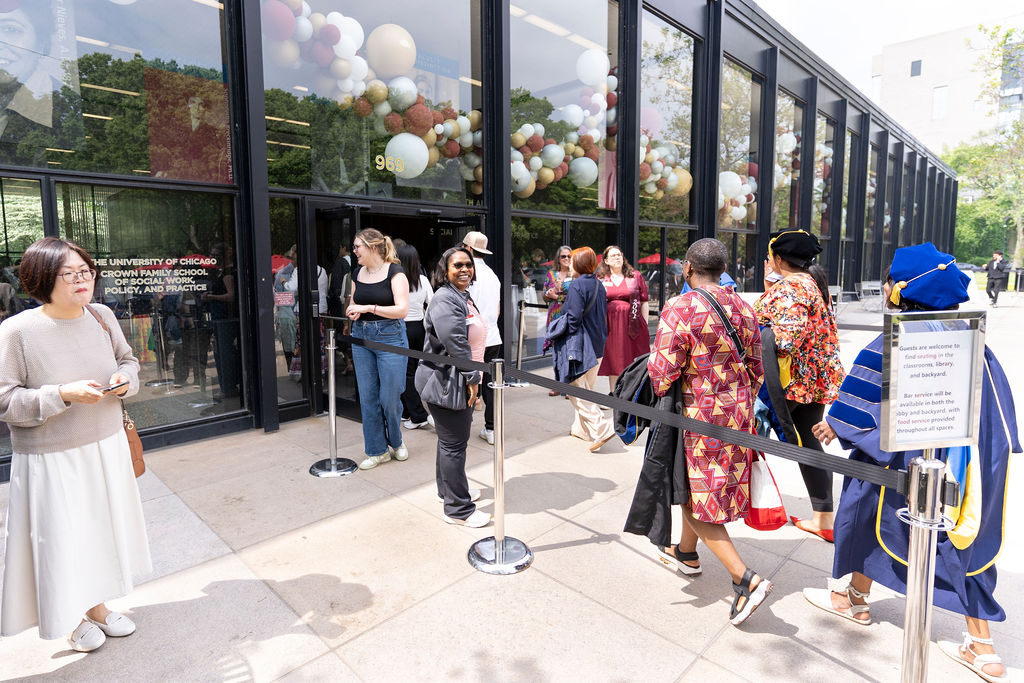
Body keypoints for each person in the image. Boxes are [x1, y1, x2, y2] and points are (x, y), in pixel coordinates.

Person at [804, 242, 1020, 682]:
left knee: (866, 509)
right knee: (964, 538)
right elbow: (998, 420)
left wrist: (836, 426)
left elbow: (863, 404)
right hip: (968, 466)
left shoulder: (897, 337)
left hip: (907, 460)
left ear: (900, 290)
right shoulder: (972, 339)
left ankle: (854, 600)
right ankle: (980, 647)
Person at [0, 237, 151, 652]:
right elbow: (4, 400)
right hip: (51, 456)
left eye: (86, 270)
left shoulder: (101, 315)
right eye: (70, 273)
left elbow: (127, 360)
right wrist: (61, 394)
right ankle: (68, 617)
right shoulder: (17, 332)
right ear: (42, 278)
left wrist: (126, 381)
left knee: (99, 532)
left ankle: (97, 608)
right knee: (62, 539)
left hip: (105, 445)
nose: (82, 280)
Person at [625, 237, 771, 627]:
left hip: (699, 420)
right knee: (703, 489)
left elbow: (661, 375)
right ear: (723, 270)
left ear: (687, 268)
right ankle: (687, 553)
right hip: (739, 416)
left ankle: (746, 579)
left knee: (693, 497)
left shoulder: (680, 307)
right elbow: (758, 367)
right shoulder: (744, 306)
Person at [754, 229, 844, 541]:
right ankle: (823, 518)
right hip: (815, 378)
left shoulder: (789, 289)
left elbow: (784, 339)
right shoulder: (812, 281)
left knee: (748, 434)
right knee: (809, 443)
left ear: (778, 258)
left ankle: (749, 506)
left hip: (792, 381)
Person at [415, 246, 490, 528]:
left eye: (468, 265)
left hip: (454, 379)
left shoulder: (462, 296)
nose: (464, 270)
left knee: (449, 442)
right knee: (454, 445)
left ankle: (446, 491)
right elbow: (456, 343)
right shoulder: (446, 299)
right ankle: (458, 510)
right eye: (457, 265)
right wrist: (473, 380)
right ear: (444, 270)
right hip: (446, 383)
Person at [346, 228, 410, 470]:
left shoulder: (395, 271)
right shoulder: (357, 273)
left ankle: (396, 440)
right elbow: (353, 303)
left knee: (389, 397)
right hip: (361, 335)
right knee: (368, 397)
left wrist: (369, 308)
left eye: (357, 247)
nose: (354, 252)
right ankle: (377, 450)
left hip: (391, 336)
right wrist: (353, 310)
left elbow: (402, 310)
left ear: (372, 247)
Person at [555, 246, 616, 452]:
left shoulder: (577, 285)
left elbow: (573, 318)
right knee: (586, 388)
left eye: (572, 261)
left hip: (581, 345)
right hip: (598, 343)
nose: (569, 264)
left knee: (576, 390)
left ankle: (601, 428)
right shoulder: (599, 284)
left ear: (578, 264)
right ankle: (580, 429)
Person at [462, 231, 501, 446]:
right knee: (490, 386)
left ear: (468, 248)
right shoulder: (493, 275)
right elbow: (497, 310)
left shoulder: (466, 273)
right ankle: (491, 428)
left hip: (471, 338)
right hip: (492, 336)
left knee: (465, 383)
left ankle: (461, 429)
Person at [595, 245, 649, 392]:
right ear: (606, 260)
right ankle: (614, 393)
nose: (617, 258)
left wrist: (644, 323)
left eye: (619, 255)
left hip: (632, 323)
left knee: (632, 358)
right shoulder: (600, 278)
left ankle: (631, 392)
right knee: (614, 359)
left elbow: (644, 301)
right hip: (610, 325)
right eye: (613, 256)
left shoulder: (635, 276)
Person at [398, 243, 433, 430]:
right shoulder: (423, 280)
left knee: (406, 373)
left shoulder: (396, 280)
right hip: (419, 328)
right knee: (415, 370)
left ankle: (418, 414)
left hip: (401, 327)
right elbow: (433, 303)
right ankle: (407, 410)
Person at [202, 242, 241, 401]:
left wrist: (211, 296)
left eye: (214, 255)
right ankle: (228, 387)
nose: (211, 258)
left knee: (223, 354)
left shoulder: (227, 273)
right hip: (223, 319)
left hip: (225, 320)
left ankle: (228, 388)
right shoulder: (224, 272)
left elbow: (231, 296)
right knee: (223, 353)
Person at [284, 249, 328, 382]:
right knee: (319, 341)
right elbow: (324, 290)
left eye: (293, 257)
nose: (292, 261)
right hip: (321, 308)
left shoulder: (299, 270)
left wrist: (282, 282)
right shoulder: (322, 270)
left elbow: (291, 288)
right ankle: (320, 370)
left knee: (302, 341)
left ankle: (305, 371)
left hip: (304, 310)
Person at [542, 245, 573, 395]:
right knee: (556, 350)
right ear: (558, 259)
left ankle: (568, 385)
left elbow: (576, 297)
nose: (566, 259)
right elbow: (544, 296)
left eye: (569, 256)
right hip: (554, 316)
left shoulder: (576, 274)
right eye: (563, 256)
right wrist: (548, 294)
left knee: (569, 349)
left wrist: (557, 297)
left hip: (570, 315)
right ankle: (557, 383)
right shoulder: (551, 274)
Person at [273, 245, 297, 371]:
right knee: (289, 346)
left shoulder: (313, 271)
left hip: (300, 315)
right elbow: (279, 297)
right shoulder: (281, 274)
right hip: (289, 316)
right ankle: (291, 368)